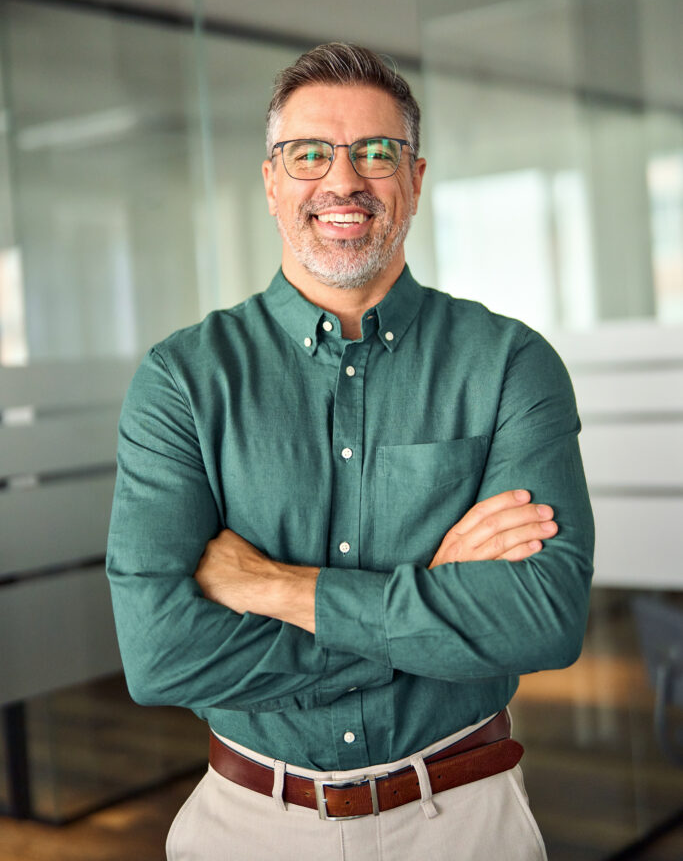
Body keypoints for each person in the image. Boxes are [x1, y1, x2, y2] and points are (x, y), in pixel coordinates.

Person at [107, 42, 594, 861]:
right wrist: (428, 605)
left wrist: (272, 587)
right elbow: (161, 656)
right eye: (308, 154)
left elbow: (541, 621)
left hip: (463, 817)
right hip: (249, 823)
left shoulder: (509, 362)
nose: (342, 182)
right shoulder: (183, 380)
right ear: (270, 182)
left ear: (414, 178)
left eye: (376, 152)